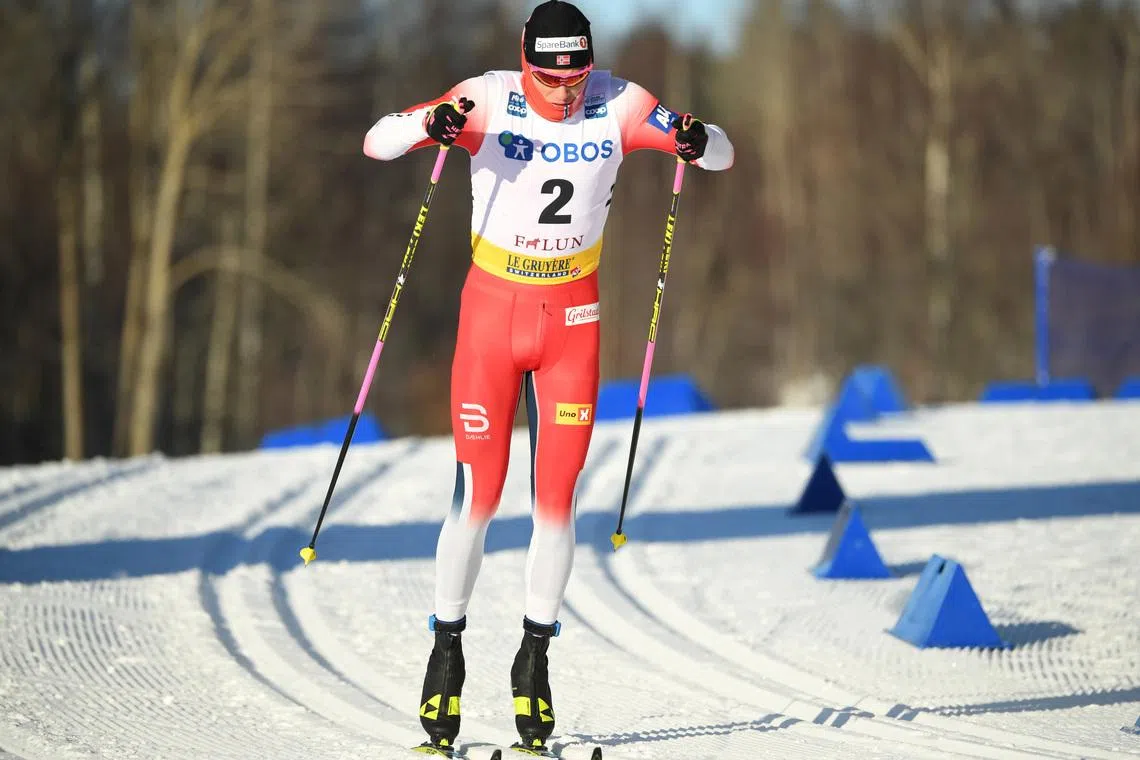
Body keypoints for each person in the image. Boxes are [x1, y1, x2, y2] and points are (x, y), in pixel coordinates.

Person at [363, 1, 734, 754]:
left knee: (557, 505)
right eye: (549, 78)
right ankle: (446, 650)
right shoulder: (487, 97)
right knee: (477, 497)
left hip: (572, 324)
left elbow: (719, 152)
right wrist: (430, 124)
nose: (564, 93)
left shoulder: (619, 103)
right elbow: (378, 140)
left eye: (576, 78)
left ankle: (534, 659)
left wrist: (699, 139)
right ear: (525, 62)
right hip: (490, 322)